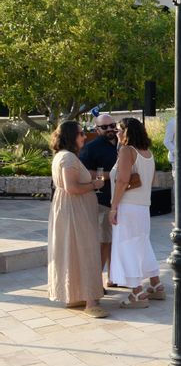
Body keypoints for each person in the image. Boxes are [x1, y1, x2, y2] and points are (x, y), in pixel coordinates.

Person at [47, 121, 107, 318]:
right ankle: (91, 300)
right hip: (75, 211)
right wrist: (95, 184)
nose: (84, 137)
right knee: (86, 249)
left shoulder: (63, 156)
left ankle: (76, 295)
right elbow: (71, 188)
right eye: (81, 133)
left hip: (70, 209)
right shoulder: (68, 158)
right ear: (71, 136)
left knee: (73, 250)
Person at [108, 118, 163, 307]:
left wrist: (114, 207)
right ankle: (156, 285)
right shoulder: (147, 153)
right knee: (142, 244)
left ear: (126, 131)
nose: (116, 133)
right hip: (143, 207)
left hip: (127, 206)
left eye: (118, 130)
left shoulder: (126, 150)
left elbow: (122, 181)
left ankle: (137, 293)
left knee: (127, 246)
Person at [79, 114, 118, 279]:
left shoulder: (123, 143)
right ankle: (96, 283)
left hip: (121, 200)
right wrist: (111, 175)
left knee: (115, 242)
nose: (110, 129)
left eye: (112, 125)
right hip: (102, 201)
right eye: (105, 127)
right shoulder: (91, 147)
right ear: (97, 129)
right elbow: (84, 173)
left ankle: (113, 277)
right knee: (104, 241)